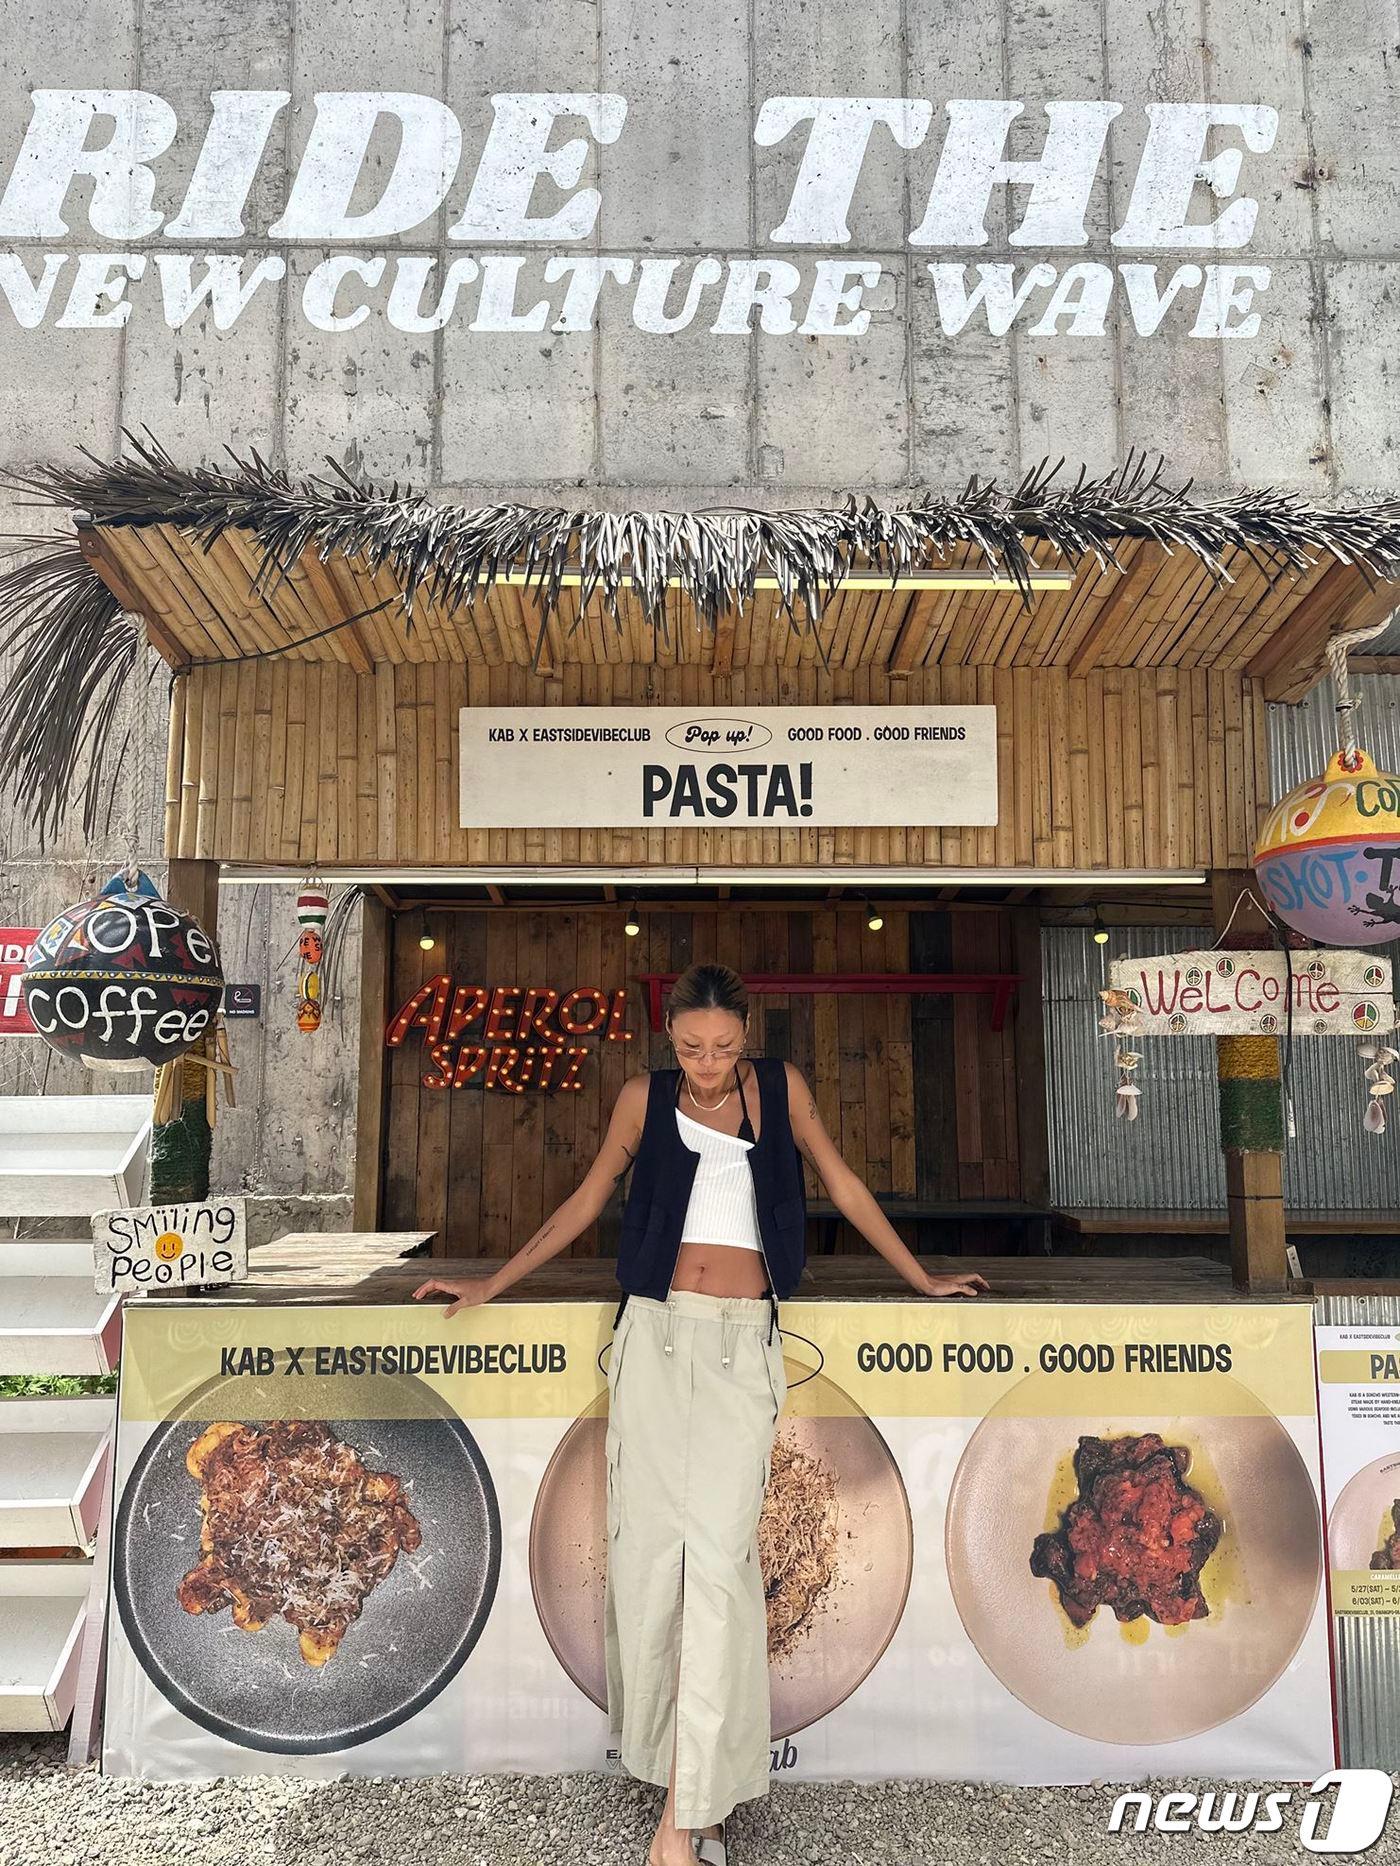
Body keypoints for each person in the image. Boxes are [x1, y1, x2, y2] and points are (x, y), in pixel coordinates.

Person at [414, 961, 988, 1866]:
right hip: (654, 1339)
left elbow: (842, 1183)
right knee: (649, 1565)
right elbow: (586, 1200)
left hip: (738, 1347)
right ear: (669, 1039)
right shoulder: (642, 1100)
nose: (709, 1063)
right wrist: (494, 1282)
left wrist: (920, 1276)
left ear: (746, 1036)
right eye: (691, 1048)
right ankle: (695, 1797)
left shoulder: (781, 1090)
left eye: (723, 1046)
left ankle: (679, 1824)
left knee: (719, 1568)